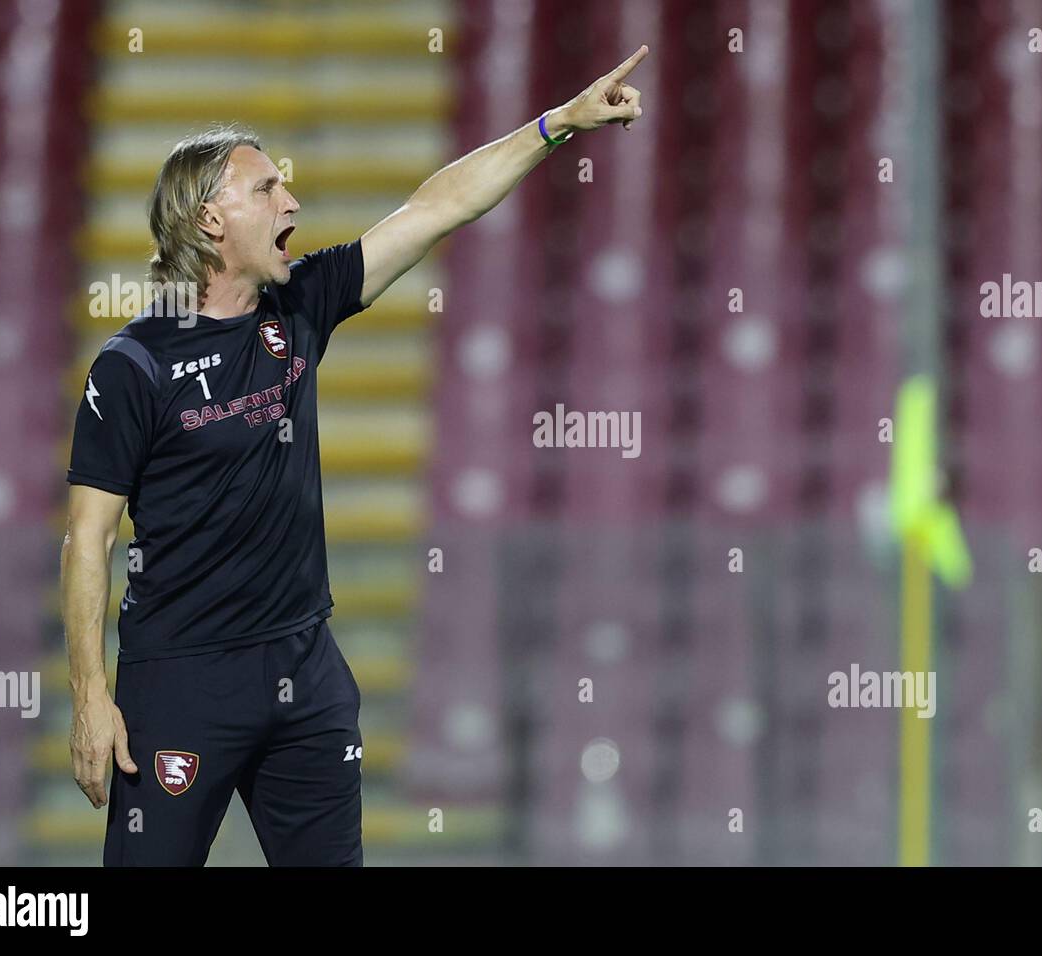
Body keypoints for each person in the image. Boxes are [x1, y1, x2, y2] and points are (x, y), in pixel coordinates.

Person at [60, 46, 647, 866]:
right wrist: (90, 696)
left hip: (305, 671)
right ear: (209, 220)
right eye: (266, 188)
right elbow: (86, 537)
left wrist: (555, 126)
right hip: (181, 683)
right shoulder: (134, 365)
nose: (290, 199)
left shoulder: (302, 304)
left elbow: (435, 208)